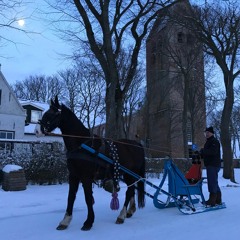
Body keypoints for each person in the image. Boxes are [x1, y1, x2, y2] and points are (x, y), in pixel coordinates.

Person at [200, 126, 222, 206]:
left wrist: (203, 151)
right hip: (211, 164)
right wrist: (201, 153)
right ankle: (218, 199)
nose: (207, 134)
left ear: (212, 133)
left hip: (213, 165)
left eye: (208, 132)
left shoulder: (214, 141)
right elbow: (207, 153)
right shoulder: (208, 142)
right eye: (206, 133)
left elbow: (213, 152)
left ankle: (212, 200)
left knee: (212, 182)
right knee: (214, 182)